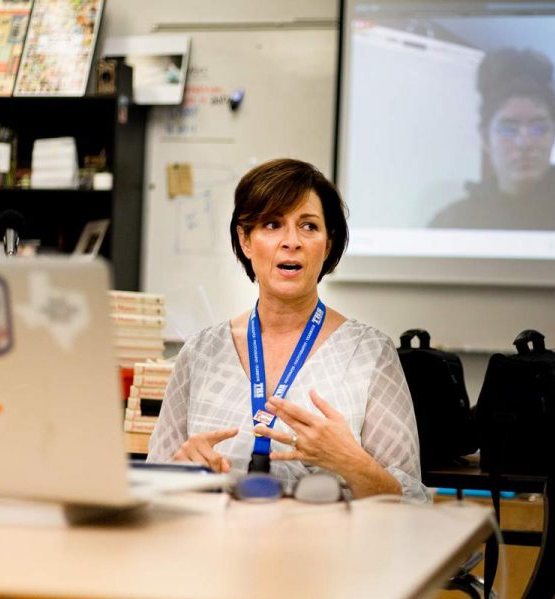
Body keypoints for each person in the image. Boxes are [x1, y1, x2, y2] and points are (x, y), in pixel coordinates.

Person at [147, 158, 428, 501]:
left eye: (308, 226)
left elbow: (414, 501)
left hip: (332, 550)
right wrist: (181, 469)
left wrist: (351, 462)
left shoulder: (369, 353)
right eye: (272, 224)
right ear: (245, 240)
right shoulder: (201, 352)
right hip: (217, 548)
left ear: (327, 244)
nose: (291, 241)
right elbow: (153, 483)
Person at [428, 47, 555, 231]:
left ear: (554, 135)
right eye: (509, 129)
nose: (524, 143)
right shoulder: (452, 223)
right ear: (485, 138)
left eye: (539, 128)